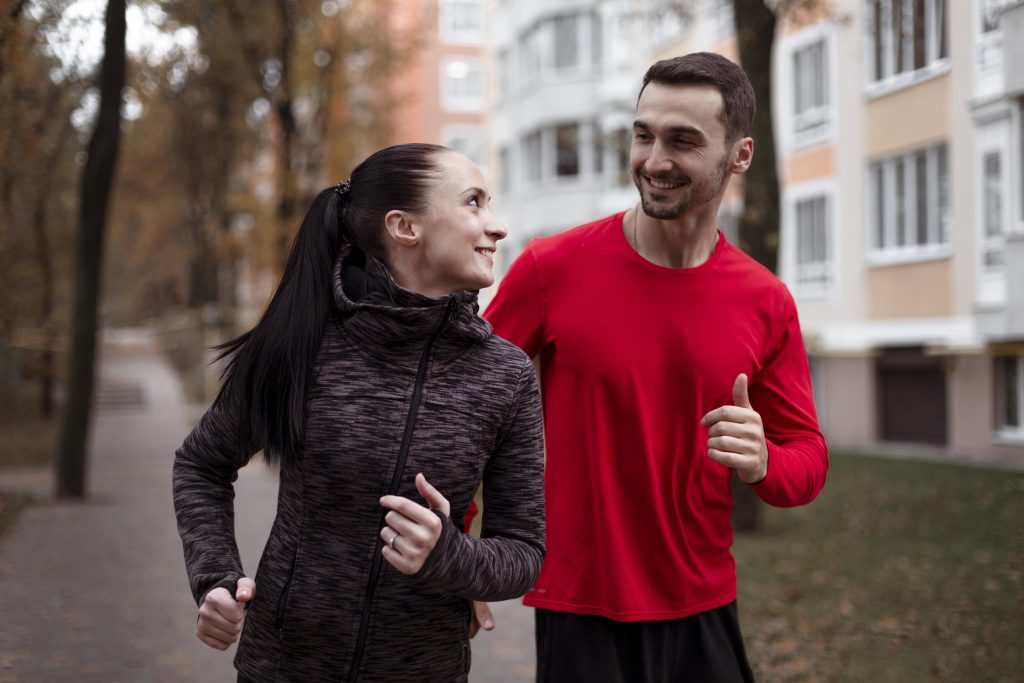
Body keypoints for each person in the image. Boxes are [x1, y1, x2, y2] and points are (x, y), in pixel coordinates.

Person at [482, 52, 829, 681]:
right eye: (643, 135)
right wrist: (463, 556)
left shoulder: (765, 300)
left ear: (740, 155)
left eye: (683, 140)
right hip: (581, 607)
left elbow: (806, 460)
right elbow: (465, 411)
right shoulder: (549, 269)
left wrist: (764, 461)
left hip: (703, 607)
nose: (654, 160)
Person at [172, 143, 545, 682]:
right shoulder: (301, 343)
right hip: (282, 667)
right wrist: (216, 580)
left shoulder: (504, 376)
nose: (498, 226)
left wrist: (449, 554)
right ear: (404, 226)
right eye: (474, 203)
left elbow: (523, 552)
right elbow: (201, 465)